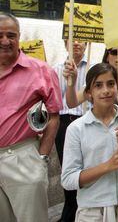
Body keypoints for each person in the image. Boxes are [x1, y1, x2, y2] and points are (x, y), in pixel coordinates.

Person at [61, 63, 118, 221]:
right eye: (98, 85)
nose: (106, 90)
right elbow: (68, 180)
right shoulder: (76, 129)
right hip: (92, 210)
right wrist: (106, 166)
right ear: (89, 93)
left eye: (111, 84)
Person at [0, 12, 63, 222]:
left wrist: (42, 157)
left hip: (23, 157)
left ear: (19, 37)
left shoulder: (41, 71)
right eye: (0, 35)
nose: (5, 41)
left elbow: (54, 116)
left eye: (11, 35)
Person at [54, 40, 87, 222]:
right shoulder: (55, 70)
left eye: (80, 40)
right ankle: (70, 210)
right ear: (65, 43)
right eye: (71, 40)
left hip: (86, 121)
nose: (76, 43)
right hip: (64, 123)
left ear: (87, 43)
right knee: (68, 169)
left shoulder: (93, 69)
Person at [65, 44, 118, 116]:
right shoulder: (97, 76)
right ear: (107, 56)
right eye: (114, 52)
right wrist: (72, 83)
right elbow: (72, 103)